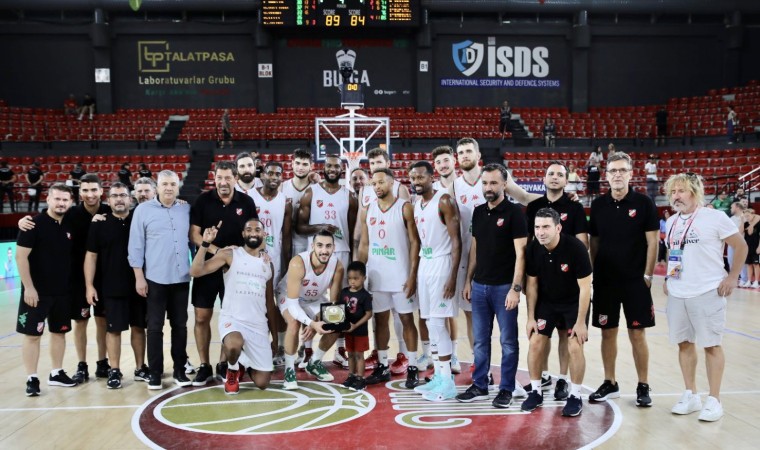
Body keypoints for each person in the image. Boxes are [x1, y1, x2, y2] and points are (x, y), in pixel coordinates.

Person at [663, 172, 747, 421]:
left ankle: (714, 399)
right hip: (678, 292)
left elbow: (741, 246)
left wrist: (732, 277)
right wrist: (669, 277)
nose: (676, 196)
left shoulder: (715, 217)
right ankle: (691, 394)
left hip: (708, 290)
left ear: (694, 192)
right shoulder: (672, 221)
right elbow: (674, 252)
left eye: (681, 191)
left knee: (711, 345)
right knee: (684, 343)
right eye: (673, 192)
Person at [18, 173, 111, 384]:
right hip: (75, 280)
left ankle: (102, 363)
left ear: (101, 191)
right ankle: (81, 365)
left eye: (93, 190)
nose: (90, 194)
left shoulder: (109, 211)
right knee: (80, 321)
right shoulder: (71, 214)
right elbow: (47, 219)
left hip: (104, 277)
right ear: (79, 193)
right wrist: (23, 220)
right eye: (85, 190)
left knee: (102, 321)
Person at [588, 152, 659, 407]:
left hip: (635, 281)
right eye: (613, 171)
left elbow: (653, 242)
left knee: (637, 333)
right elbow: (594, 242)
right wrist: (593, 273)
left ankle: (643, 385)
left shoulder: (644, 203)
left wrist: (648, 275)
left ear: (630, 173)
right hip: (606, 281)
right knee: (607, 332)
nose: (617, 175)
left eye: (622, 170)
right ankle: (610, 382)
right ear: (606, 175)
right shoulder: (598, 205)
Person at [455, 164, 527, 409]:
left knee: (508, 342)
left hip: (504, 288)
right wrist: (468, 280)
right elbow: (475, 248)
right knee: (480, 341)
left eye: (494, 183)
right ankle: (480, 385)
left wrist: (515, 289)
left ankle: (506, 388)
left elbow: (521, 254)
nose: (488, 187)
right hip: (479, 287)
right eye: (485, 183)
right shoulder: (478, 212)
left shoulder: (515, 213)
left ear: (504, 184)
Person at [190, 218, 278, 394]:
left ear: (264, 234)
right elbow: (195, 271)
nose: (253, 233)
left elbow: (270, 303)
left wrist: (275, 337)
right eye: (249, 229)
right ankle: (232, 368)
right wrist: (205, 243)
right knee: (232, 345)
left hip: (258, 325)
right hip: (233, 319)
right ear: (243, 234)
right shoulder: (230, 255)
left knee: (262, 383)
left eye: (257, 230)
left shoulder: (268, 264)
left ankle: (243, 363)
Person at [523, 161, 589, 397]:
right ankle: (543, 376)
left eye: (559, 175)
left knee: (566, 335)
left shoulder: (574, 207)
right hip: (544, 279)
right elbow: (529, 241)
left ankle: (563, 379)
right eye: (550, 173)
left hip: (569, 280)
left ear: (565, 180)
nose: (554, 177)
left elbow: (583, 242)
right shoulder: (534, 206)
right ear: (544, 178)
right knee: (541, 334)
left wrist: (570, 259)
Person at [189, 161, 258, 385]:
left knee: (232, 318)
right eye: (219, 177)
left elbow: (253, 234)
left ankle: (222, 363)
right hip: (208, 267)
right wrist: (218, 251)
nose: (223, 182)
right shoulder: (203, 201)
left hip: (235, 271)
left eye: (228, 177)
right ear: (214, 178)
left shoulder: (246, 202)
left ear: (235, 178)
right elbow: (194, 235)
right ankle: (204, 365)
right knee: (202, 316)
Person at [128, 170, 192, 390]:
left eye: (173, 184)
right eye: (165, 184)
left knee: (180, 326)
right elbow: (135, 246)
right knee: (154, 327)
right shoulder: (142, 211)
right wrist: (139, 277)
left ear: (178, 186)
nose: (169, 188)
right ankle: (155, 373)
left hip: (181, 278)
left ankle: (180, 370)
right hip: (155, 278)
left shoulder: (185, 209)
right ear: (157, 187)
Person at [357, 168, 421, 388]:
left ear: (392, 183)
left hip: (401, 275)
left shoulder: (405, 207)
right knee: (380, 321)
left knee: (406, 321)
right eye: (374, 184)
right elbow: (364, 244)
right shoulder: (367, 209)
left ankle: (412, 367)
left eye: (381, 182)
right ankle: (383, 365)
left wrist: (412, 275)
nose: (377, 187)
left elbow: (415, 243)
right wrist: (359, 273)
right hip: (377, 276)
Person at [83, 182, 149, 389]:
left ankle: (140, 368)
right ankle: (114, 370)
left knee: (139, 328)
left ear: (130, 198)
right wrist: (89, 285)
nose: (119, 199)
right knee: (113, 331)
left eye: (123, 195)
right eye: (115, 196)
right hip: (111, 287)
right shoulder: (99, 223)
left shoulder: (139, 220)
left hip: (139, 286)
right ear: (108, 200)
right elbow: (91, 256)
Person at [16, 183, 77, 396]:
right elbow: (21, 257)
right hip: (36, 293)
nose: (61, 203)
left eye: (65, 200)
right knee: (32, 335)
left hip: (62, 292)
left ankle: (56, 373)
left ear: (70, 202)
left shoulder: (70, 223)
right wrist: (29, 288)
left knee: (59, 333)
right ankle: (32, 378)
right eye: (57, 199)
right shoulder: (32, 224)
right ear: (48, 199)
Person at [409, 161, 462, 402]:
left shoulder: (444, 200)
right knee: (430, 322)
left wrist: (453, 276)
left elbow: (456, 240)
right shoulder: (416, 203)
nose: (416, 182)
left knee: (439, 324)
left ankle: (448, 382)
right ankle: (439, 376)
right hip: (425, 263)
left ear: (431, 177)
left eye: (420, 177)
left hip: (442, 264)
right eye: (413, 178)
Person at [277, 230, 344, 390]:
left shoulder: (337, 266)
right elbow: (293, 305)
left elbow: (333, 304)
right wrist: (311, 323)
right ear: (312, 246)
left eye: (328, 246)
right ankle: (289, 370)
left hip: (314, 299)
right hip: (289, 296)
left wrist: (319, 320)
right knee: (293, 323)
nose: (324, 250)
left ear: (334, 248)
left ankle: (314, 362)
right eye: (320, 245)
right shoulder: (298, 263)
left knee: (336, 320)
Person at [250, 161, 292, 286]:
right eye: (270, 173)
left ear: (282, 177)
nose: (274, 177)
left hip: (274, 254)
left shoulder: (286, 202)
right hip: (252, 252)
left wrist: (287, 264)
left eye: (278, 174)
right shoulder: (249, 196)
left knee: (271, 292)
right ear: (263, 175)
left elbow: (286, 236)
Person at [339, 261, 373, 391]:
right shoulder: (344, 292)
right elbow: (340, 310)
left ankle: (361, 379)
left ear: (364, 278)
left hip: (360, 331)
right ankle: (351, 376)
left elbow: (369, 314)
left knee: (359, 355)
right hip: (348, 330)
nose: (352, 281)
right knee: (350, 354)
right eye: (350, 278)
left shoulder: (365, 295)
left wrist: (356, 325)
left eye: (356, 278)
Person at [740, 208, 760, 288]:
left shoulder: (758, 223)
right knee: (749, 264)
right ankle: (749, 280)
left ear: (753, 215)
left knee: (756, 264)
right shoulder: (745, 224)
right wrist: (742, 221)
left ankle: (756, 281)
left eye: (748, 216)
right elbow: (740, 232)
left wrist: (759, 247)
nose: (747, 217)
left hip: (756, 247)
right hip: (748, 247)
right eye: (745, 216)